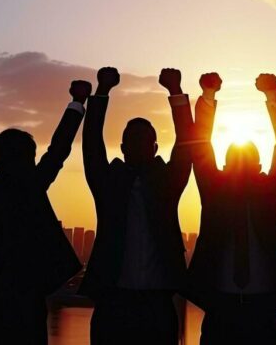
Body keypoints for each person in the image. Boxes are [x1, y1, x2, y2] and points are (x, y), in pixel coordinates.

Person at [78, 67, 197, 344]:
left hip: (158, 304)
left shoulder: (168, 182)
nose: (139, 145)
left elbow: (186, 146)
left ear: (155, 148)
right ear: (122, 147)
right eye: (133, 139)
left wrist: (176, 92)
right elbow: (92, 146)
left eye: (144, 140)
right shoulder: (108, 183)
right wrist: (102, 92)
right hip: (113, 303)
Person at [187, 73, 276, 345]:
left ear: (260, 168)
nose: (241, 169)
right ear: (223, 169)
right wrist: (208, 96)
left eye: (247, 162)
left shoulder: (270, 193)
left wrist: (273, 98)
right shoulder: (214, 193)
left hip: (264, 310)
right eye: (235, 162)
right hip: (219, 309)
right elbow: (201, 145)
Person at [0, 79, 90, 345]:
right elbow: (57, 153)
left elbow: (54, 156)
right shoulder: (20, 186)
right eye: (31, 157)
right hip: (23, 301)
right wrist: (78, 103)